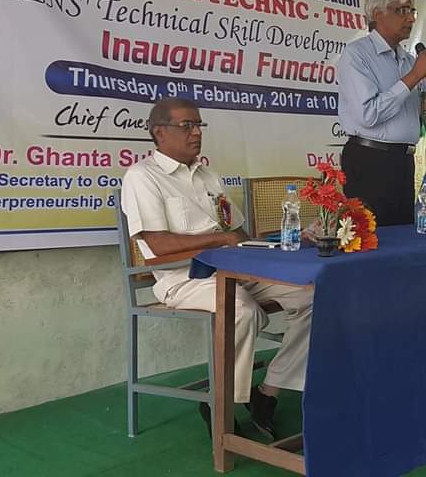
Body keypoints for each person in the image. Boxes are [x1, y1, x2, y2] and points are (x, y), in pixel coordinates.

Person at [121, 97, 309, 441]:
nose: (196, 133)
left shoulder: (208, 175)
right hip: (185, 277)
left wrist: (264, 244)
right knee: (240, 309)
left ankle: (267, 392)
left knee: (312, 294)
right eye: (187, 126)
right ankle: (219, 402)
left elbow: (236, 232)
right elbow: (157, 246)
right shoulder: (142, 177)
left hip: (235, 268)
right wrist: (219, 242)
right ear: (159, 133)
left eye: (198, 125)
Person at [337, 0, 426, 225]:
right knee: (372, 241)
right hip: (369, 160)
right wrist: (412, 78)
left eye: (413, 11)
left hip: (403, 161)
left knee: (402, 239)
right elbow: (368, 114)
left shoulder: (409, 60)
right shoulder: (356, 55)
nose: (410, 18)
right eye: (402, 11)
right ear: (378, 15)